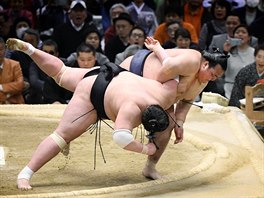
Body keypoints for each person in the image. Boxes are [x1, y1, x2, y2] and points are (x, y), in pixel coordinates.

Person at [6, 37, 176, 190]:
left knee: (61, 73)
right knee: (61, 136)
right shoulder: (131, 110)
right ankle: (24, 175)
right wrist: (147, 148)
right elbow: (121, 138)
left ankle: (31, 49)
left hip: (104, 73)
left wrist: (158, 48)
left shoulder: (164, 93)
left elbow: (171, 68)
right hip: (92, 97)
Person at [119, 36, 228, 180]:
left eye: (216, 78)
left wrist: (180, 122)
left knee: (169, 124)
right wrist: (159, 98)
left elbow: (187, 100)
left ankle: (150, 167)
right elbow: (164, 71)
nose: (213, 79)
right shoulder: (193, 60)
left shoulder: (203, 80)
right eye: (213, 75)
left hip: (159, 93)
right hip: (134, 72)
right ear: (205, 64)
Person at [223, 24, 255, 99]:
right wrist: (225, 51)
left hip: (250, 91)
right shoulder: (228, 53)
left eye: (243, 32)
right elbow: (220, 70)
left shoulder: (255, 53)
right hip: (229, 90)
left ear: (249, 37)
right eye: (237, 32)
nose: (240, 34)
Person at [0, 37, 24, 104]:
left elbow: (20, 85)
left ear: (5, 49)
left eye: (0, 49)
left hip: (15, 104)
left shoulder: (15, 65)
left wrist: (1, 87)